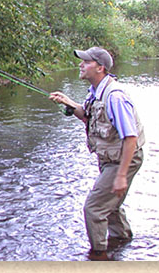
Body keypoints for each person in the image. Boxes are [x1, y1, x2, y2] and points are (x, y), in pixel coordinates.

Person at [49, 47, 145, 261]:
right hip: (111, 157)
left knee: (94, 209)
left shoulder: (115, 97)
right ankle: (121, 241)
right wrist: (69, 103)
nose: (81, 65)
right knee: (110, 205)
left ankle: (99, 257)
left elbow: (131, 138)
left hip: (123, 159)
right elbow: (88, 117)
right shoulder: (95, 92)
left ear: (100, 68)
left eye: (86, 62)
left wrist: (121, 175)